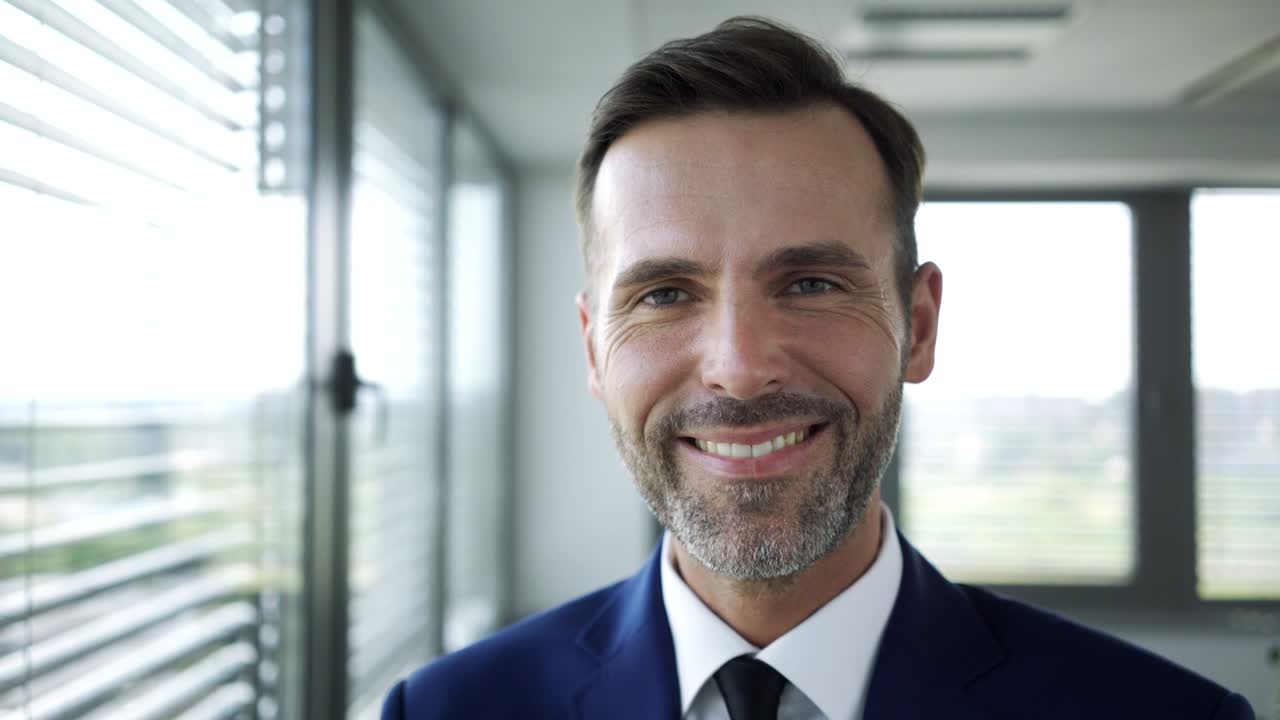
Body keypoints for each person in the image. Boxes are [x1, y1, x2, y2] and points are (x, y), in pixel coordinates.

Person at [382, 17, 1255, 720]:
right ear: (592, 351)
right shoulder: (448, 710)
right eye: (665, 294)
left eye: (809, 283)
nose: (739, 368)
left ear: (918, 327)